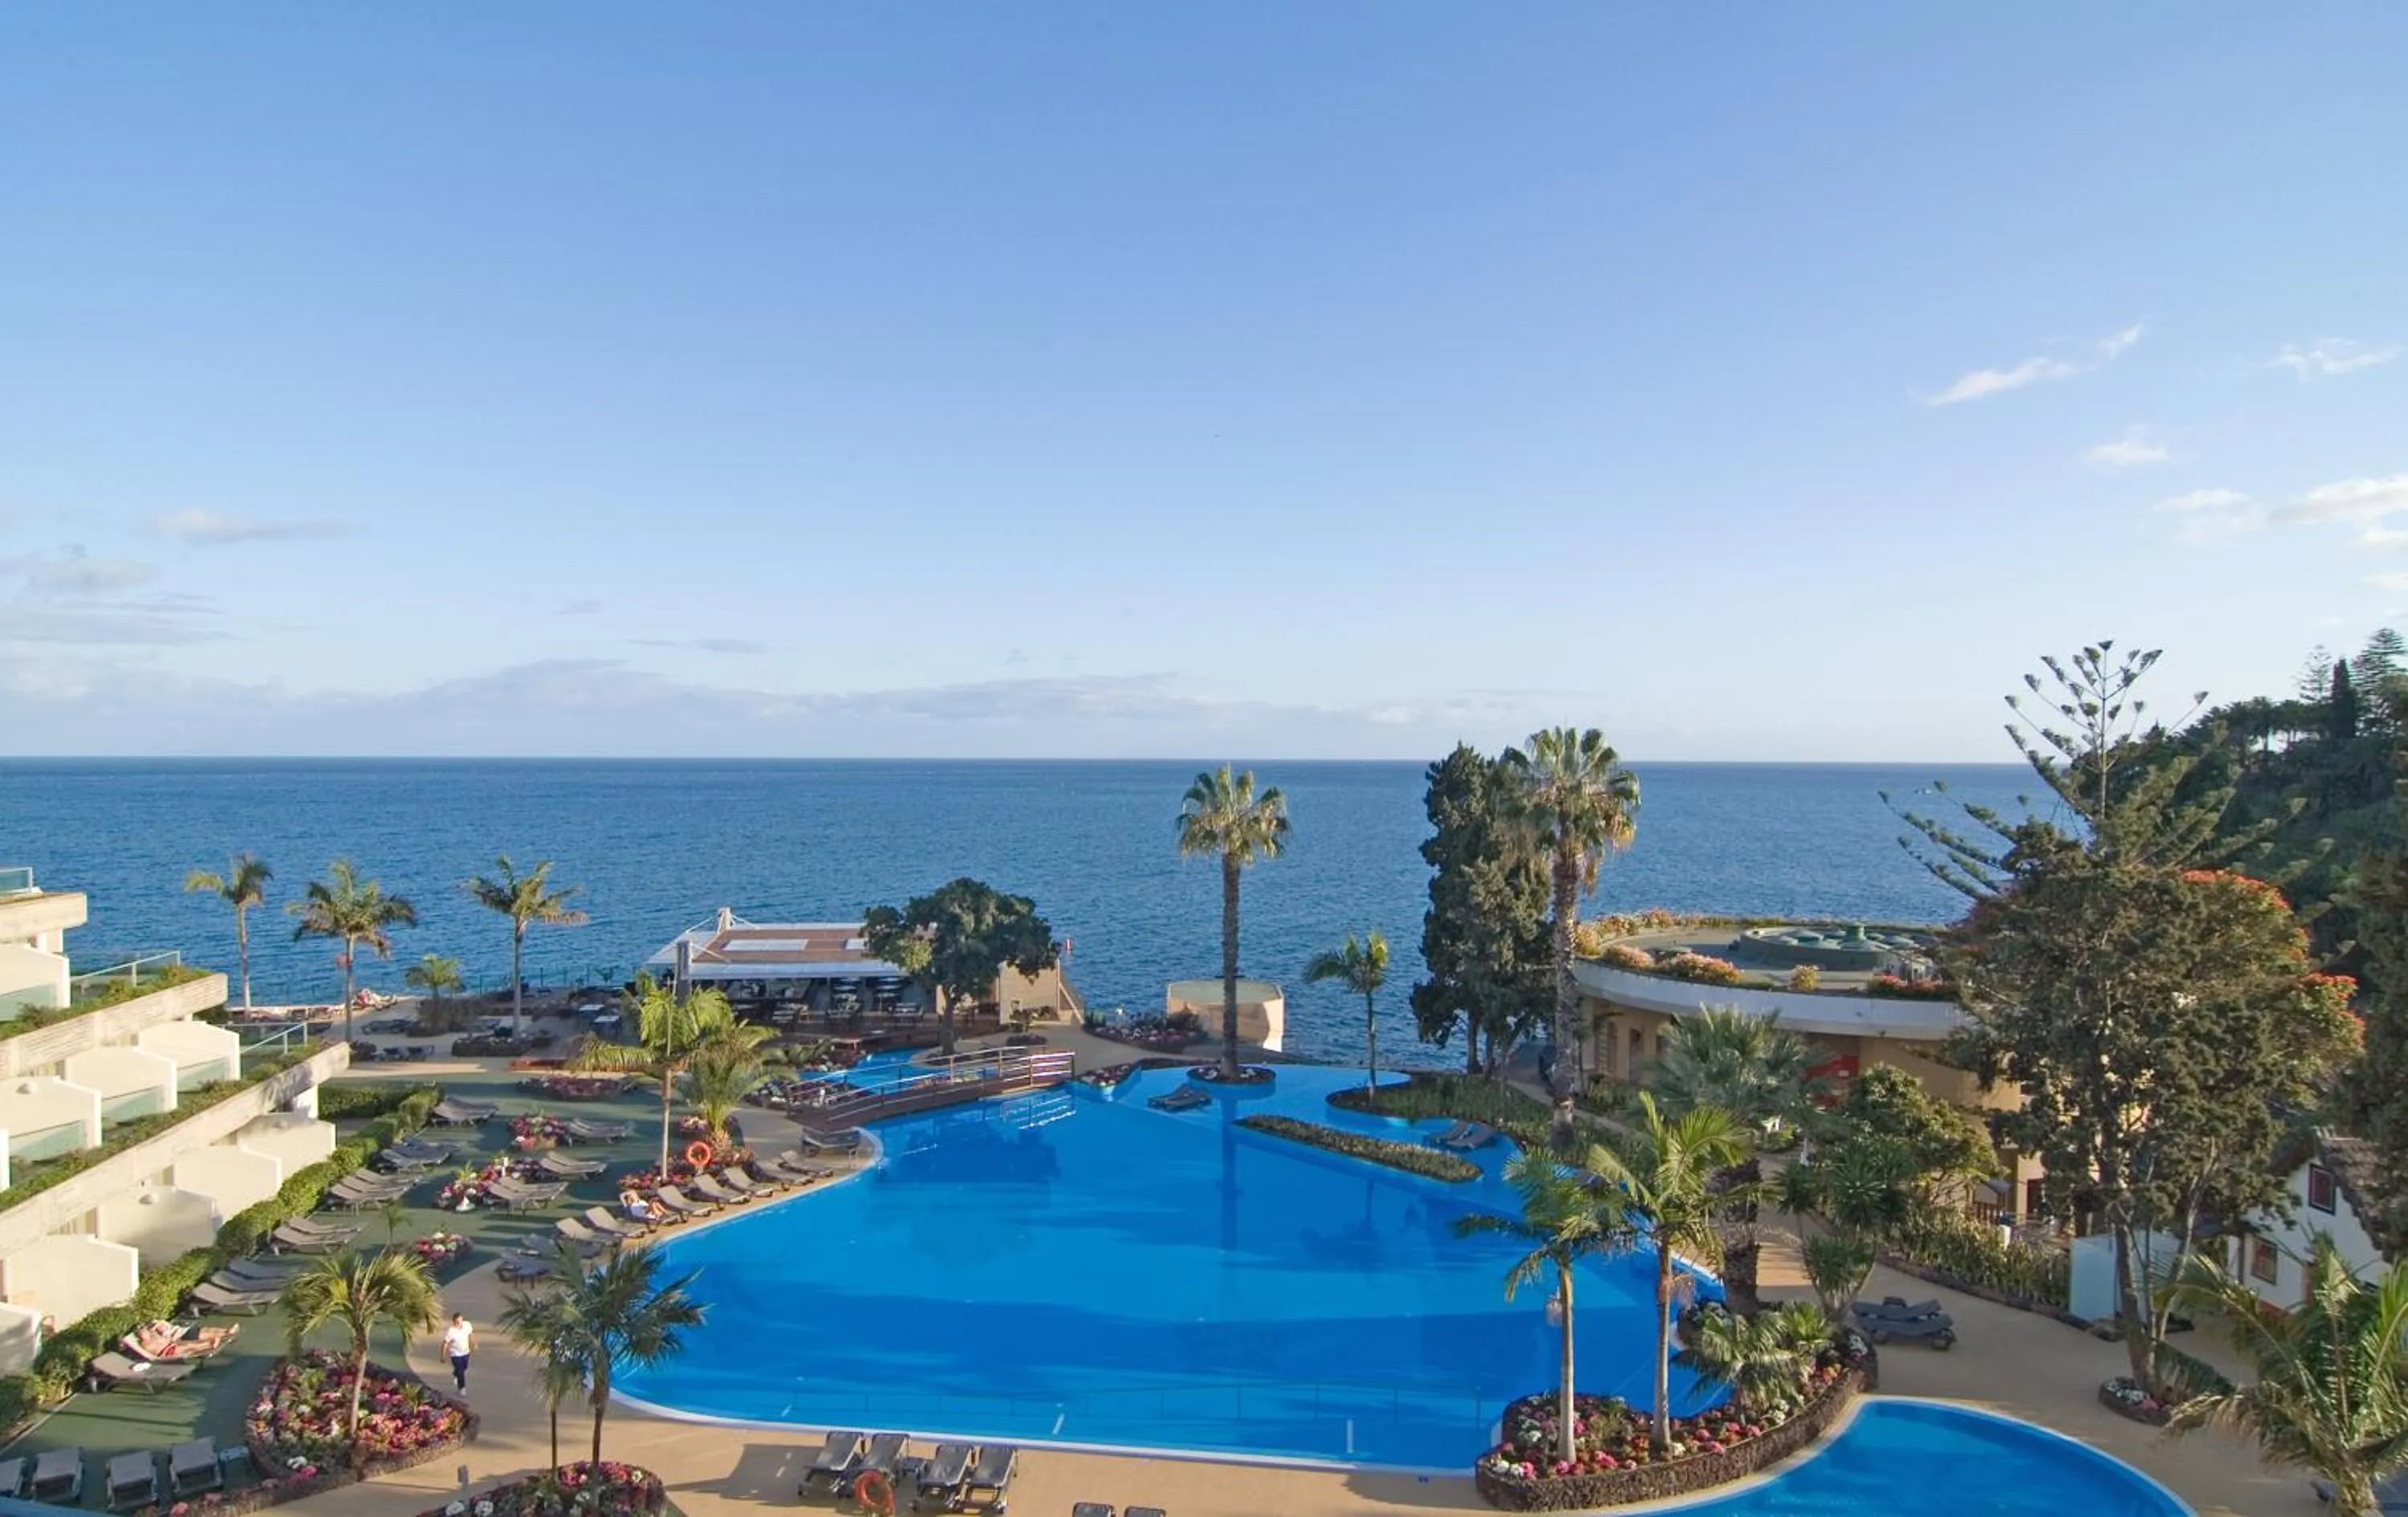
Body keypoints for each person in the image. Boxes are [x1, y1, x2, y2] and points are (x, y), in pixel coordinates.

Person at [441, 1313, 474, 1393]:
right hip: (455, 1354)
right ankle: (462, 1388)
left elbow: (471, 1334)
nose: (460, 1323)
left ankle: (456, 1374)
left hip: (466, 1352)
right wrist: (443, 1356)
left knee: (464, 1367)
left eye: (461, 1321)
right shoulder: (451, 1332)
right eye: (458, 1322)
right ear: (454, 1322)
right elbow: (445, 1344)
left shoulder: (467, 1325)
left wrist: (474, 1343)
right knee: (461, 1371)